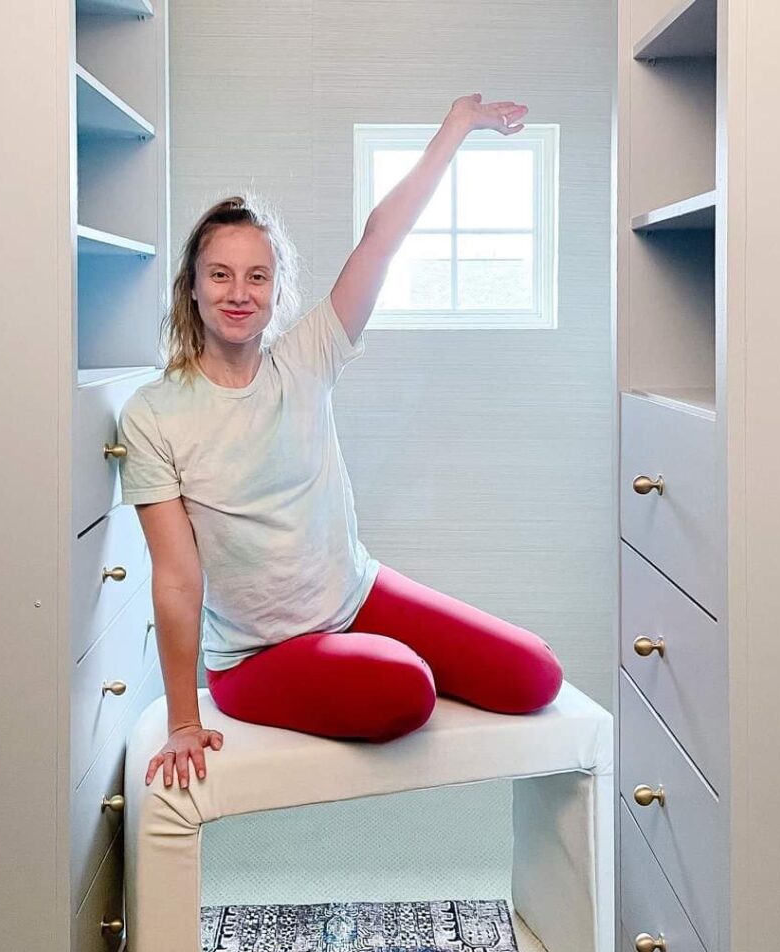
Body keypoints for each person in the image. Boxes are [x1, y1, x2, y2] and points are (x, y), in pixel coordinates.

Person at [117, 93, 564, 792]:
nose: (239, 293)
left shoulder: (308, 356)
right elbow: (176, 577)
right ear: (194, 290)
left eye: (257, 276)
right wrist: (181, 719)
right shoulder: (153, 413)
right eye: (220, 275)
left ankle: (358, 654)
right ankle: (351, 665)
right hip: (256, 658)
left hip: (354, 594)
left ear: (275, 289)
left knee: (536, 675)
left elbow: (380, 237)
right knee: (404, 693)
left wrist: (456, 128)